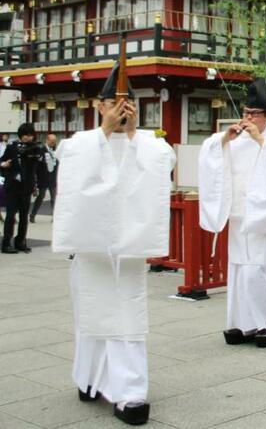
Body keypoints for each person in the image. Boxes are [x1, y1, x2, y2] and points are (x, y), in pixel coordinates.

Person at [53, 63, 175, 426]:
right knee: (92, 312)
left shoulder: (150, 145)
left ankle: (130, 391)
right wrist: (104, 132)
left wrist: (135, 133)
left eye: (126, 103)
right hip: (93, 249)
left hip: (130, 247)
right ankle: (89, 377)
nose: (120, 109)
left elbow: (163, 161)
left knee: (127, 316)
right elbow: (71, 167)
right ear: (99, 105)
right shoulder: (79, 144)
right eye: (112, 103)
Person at [198, 78, 266, 347]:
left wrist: (258, 137)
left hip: (263, 216)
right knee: (239, 270)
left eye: (255, 114)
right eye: (246, 113)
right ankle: (239, 324)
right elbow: (209, 153)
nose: (249, 118)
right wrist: (224, 139)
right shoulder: (236, 139)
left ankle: (263, 323)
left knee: (257, 270)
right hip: (239, 213)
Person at [1, 123, 42, 254]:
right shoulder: (12, 147)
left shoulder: (34, 147)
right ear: (20, 135)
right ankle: (6, 243)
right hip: (13, 184)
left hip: (26, 185)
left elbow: (38, 163)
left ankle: (20, 242)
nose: (28, 138)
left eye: (30, 135)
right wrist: (4, 164)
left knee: (24, 215)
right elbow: (1, 161)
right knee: (11, 215)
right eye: (26, 135)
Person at [30, 133, 58, 223]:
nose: (53, 143)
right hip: (43, 178)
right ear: (47, 140)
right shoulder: (41, 150)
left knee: (54, 198)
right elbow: (37, 165)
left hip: (52, 178)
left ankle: (55, 216)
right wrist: (35, 178)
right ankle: (33, 214)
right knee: (40, 197)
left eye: (55, 142)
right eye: (52, 142)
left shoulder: (55, 150)